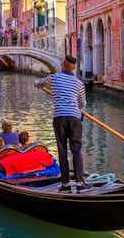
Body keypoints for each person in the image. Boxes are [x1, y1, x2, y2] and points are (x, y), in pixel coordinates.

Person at [34, 55, 88, 191]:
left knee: (62, 150)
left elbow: (37, 83)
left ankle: (65, 183)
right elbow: (82, 104)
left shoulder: (54, 78)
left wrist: (40, 86)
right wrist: (78, 108)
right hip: (75, 118)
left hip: (59, 118)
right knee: (76, 149)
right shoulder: (79, 83)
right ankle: (80, 181)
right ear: (74, 68)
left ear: (63, 65)